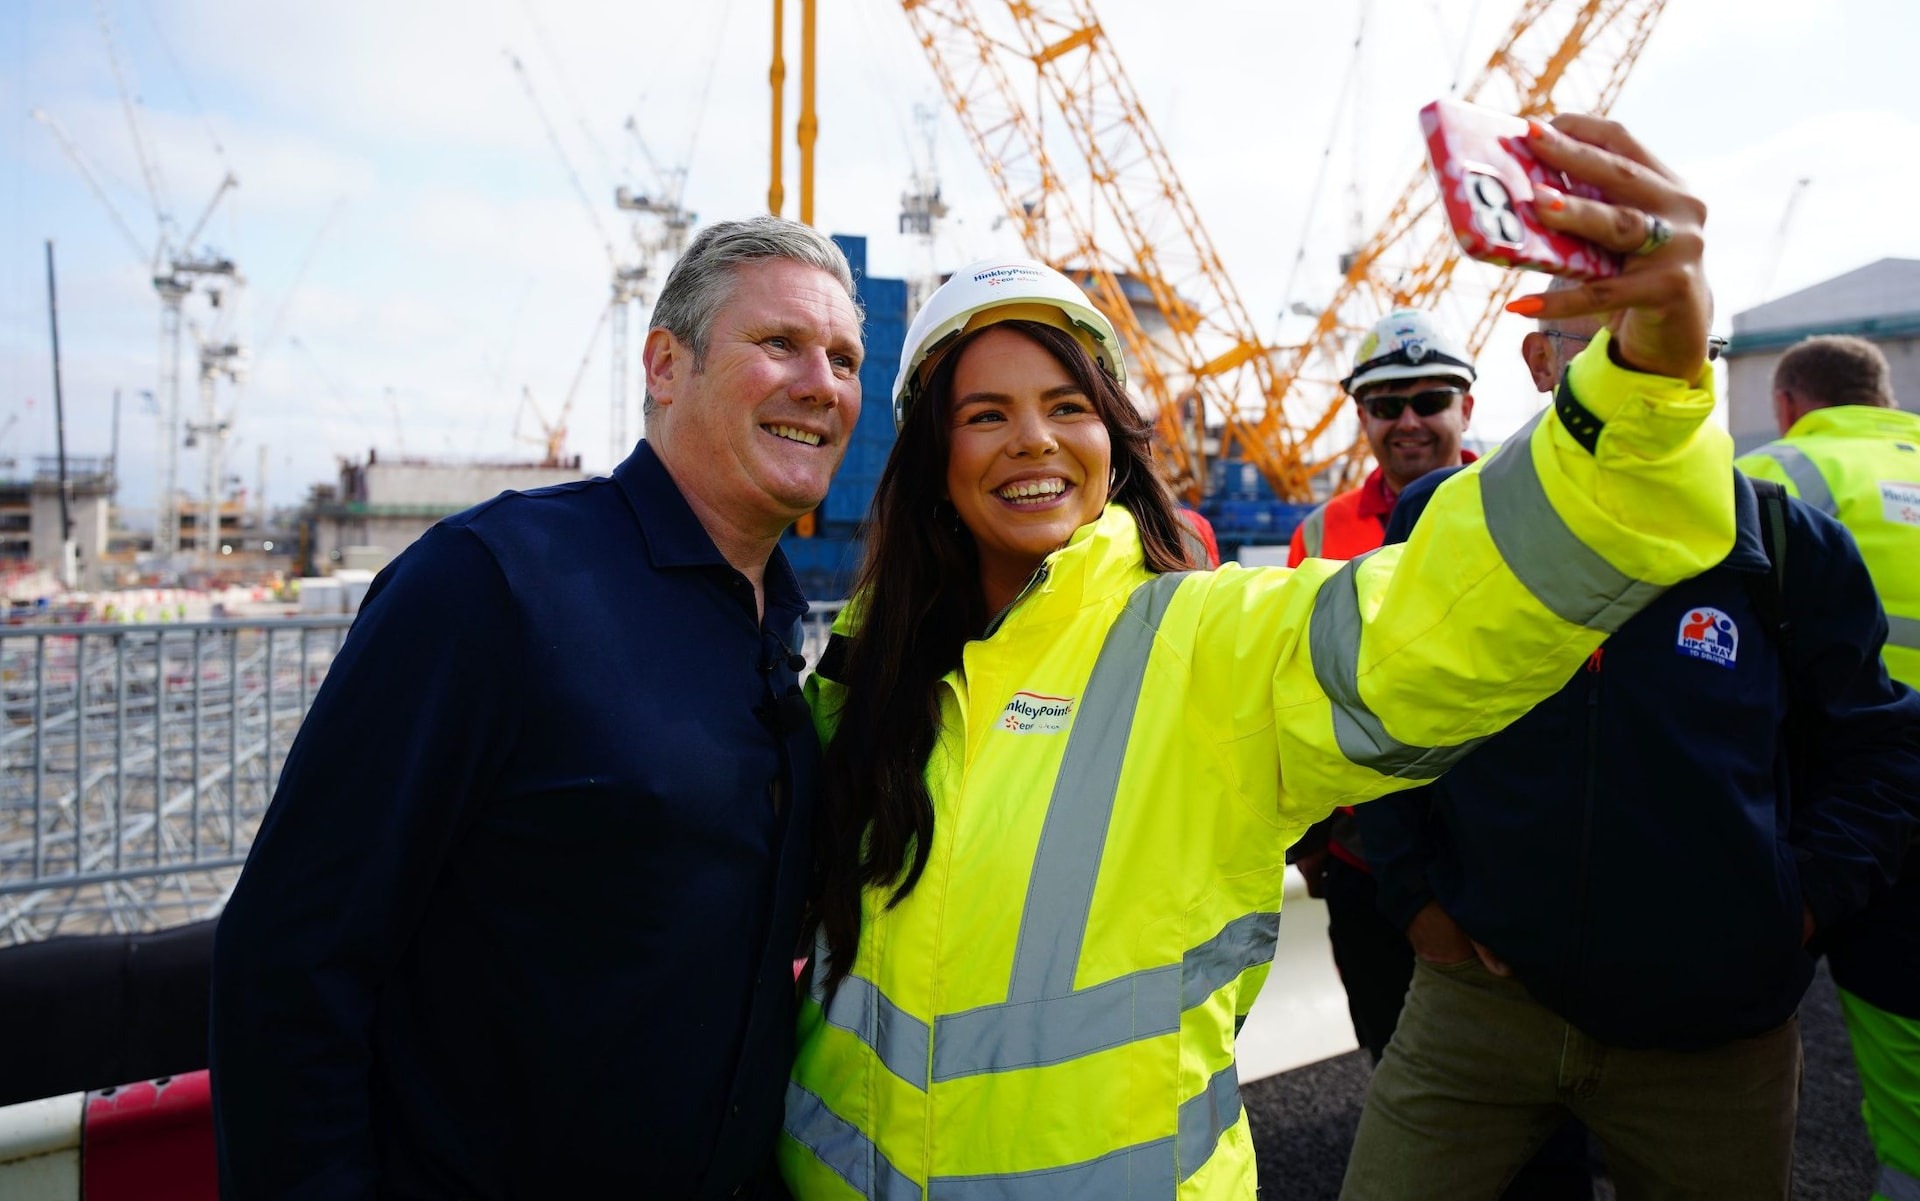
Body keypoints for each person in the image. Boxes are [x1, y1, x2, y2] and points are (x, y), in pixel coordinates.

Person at [778, 115, 1739, 1199]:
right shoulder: (863, 667)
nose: (1034, 438)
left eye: (1067, 406)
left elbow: (1447, 612)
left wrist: (1642, 392)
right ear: (930, 453)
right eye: (986, 413)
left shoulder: (1201, 648)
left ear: (1111, 439)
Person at [210, 216, 865, 1199]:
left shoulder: (774, 624)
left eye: (844, 360)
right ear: (665, 365)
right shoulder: (493, 585)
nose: (822, 384)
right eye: (781, 343)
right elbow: (289, 961)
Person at [1339, 309, 1920, 1199]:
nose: (1645, 366)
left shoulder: (1790, 543)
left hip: (1716, 1036)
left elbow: (1877, 747)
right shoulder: (1444, 516)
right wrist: (1417, 896)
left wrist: (1796, 909)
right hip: (1480, 1006)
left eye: (1676, 343)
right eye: (1609, 344)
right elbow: (1384, 703)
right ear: (1541, 361)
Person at [1738, 334, 1920, 1201]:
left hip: (1832, 802)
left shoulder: (1774, 474)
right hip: (1888, 786)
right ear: (1886, 399)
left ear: (1787, 404)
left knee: (1738, 1033)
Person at [1283, 307, 1481, 1064]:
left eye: (1429, 400)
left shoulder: (1515, 508)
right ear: (1361, 415)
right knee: (1389, 1042)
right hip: (1363, 846)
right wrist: (1309, 835)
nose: (1408, 421)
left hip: (1494, 830)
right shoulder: (1320, 533)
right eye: (1386, 404)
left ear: (1467, 407)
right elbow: (1300, 683)